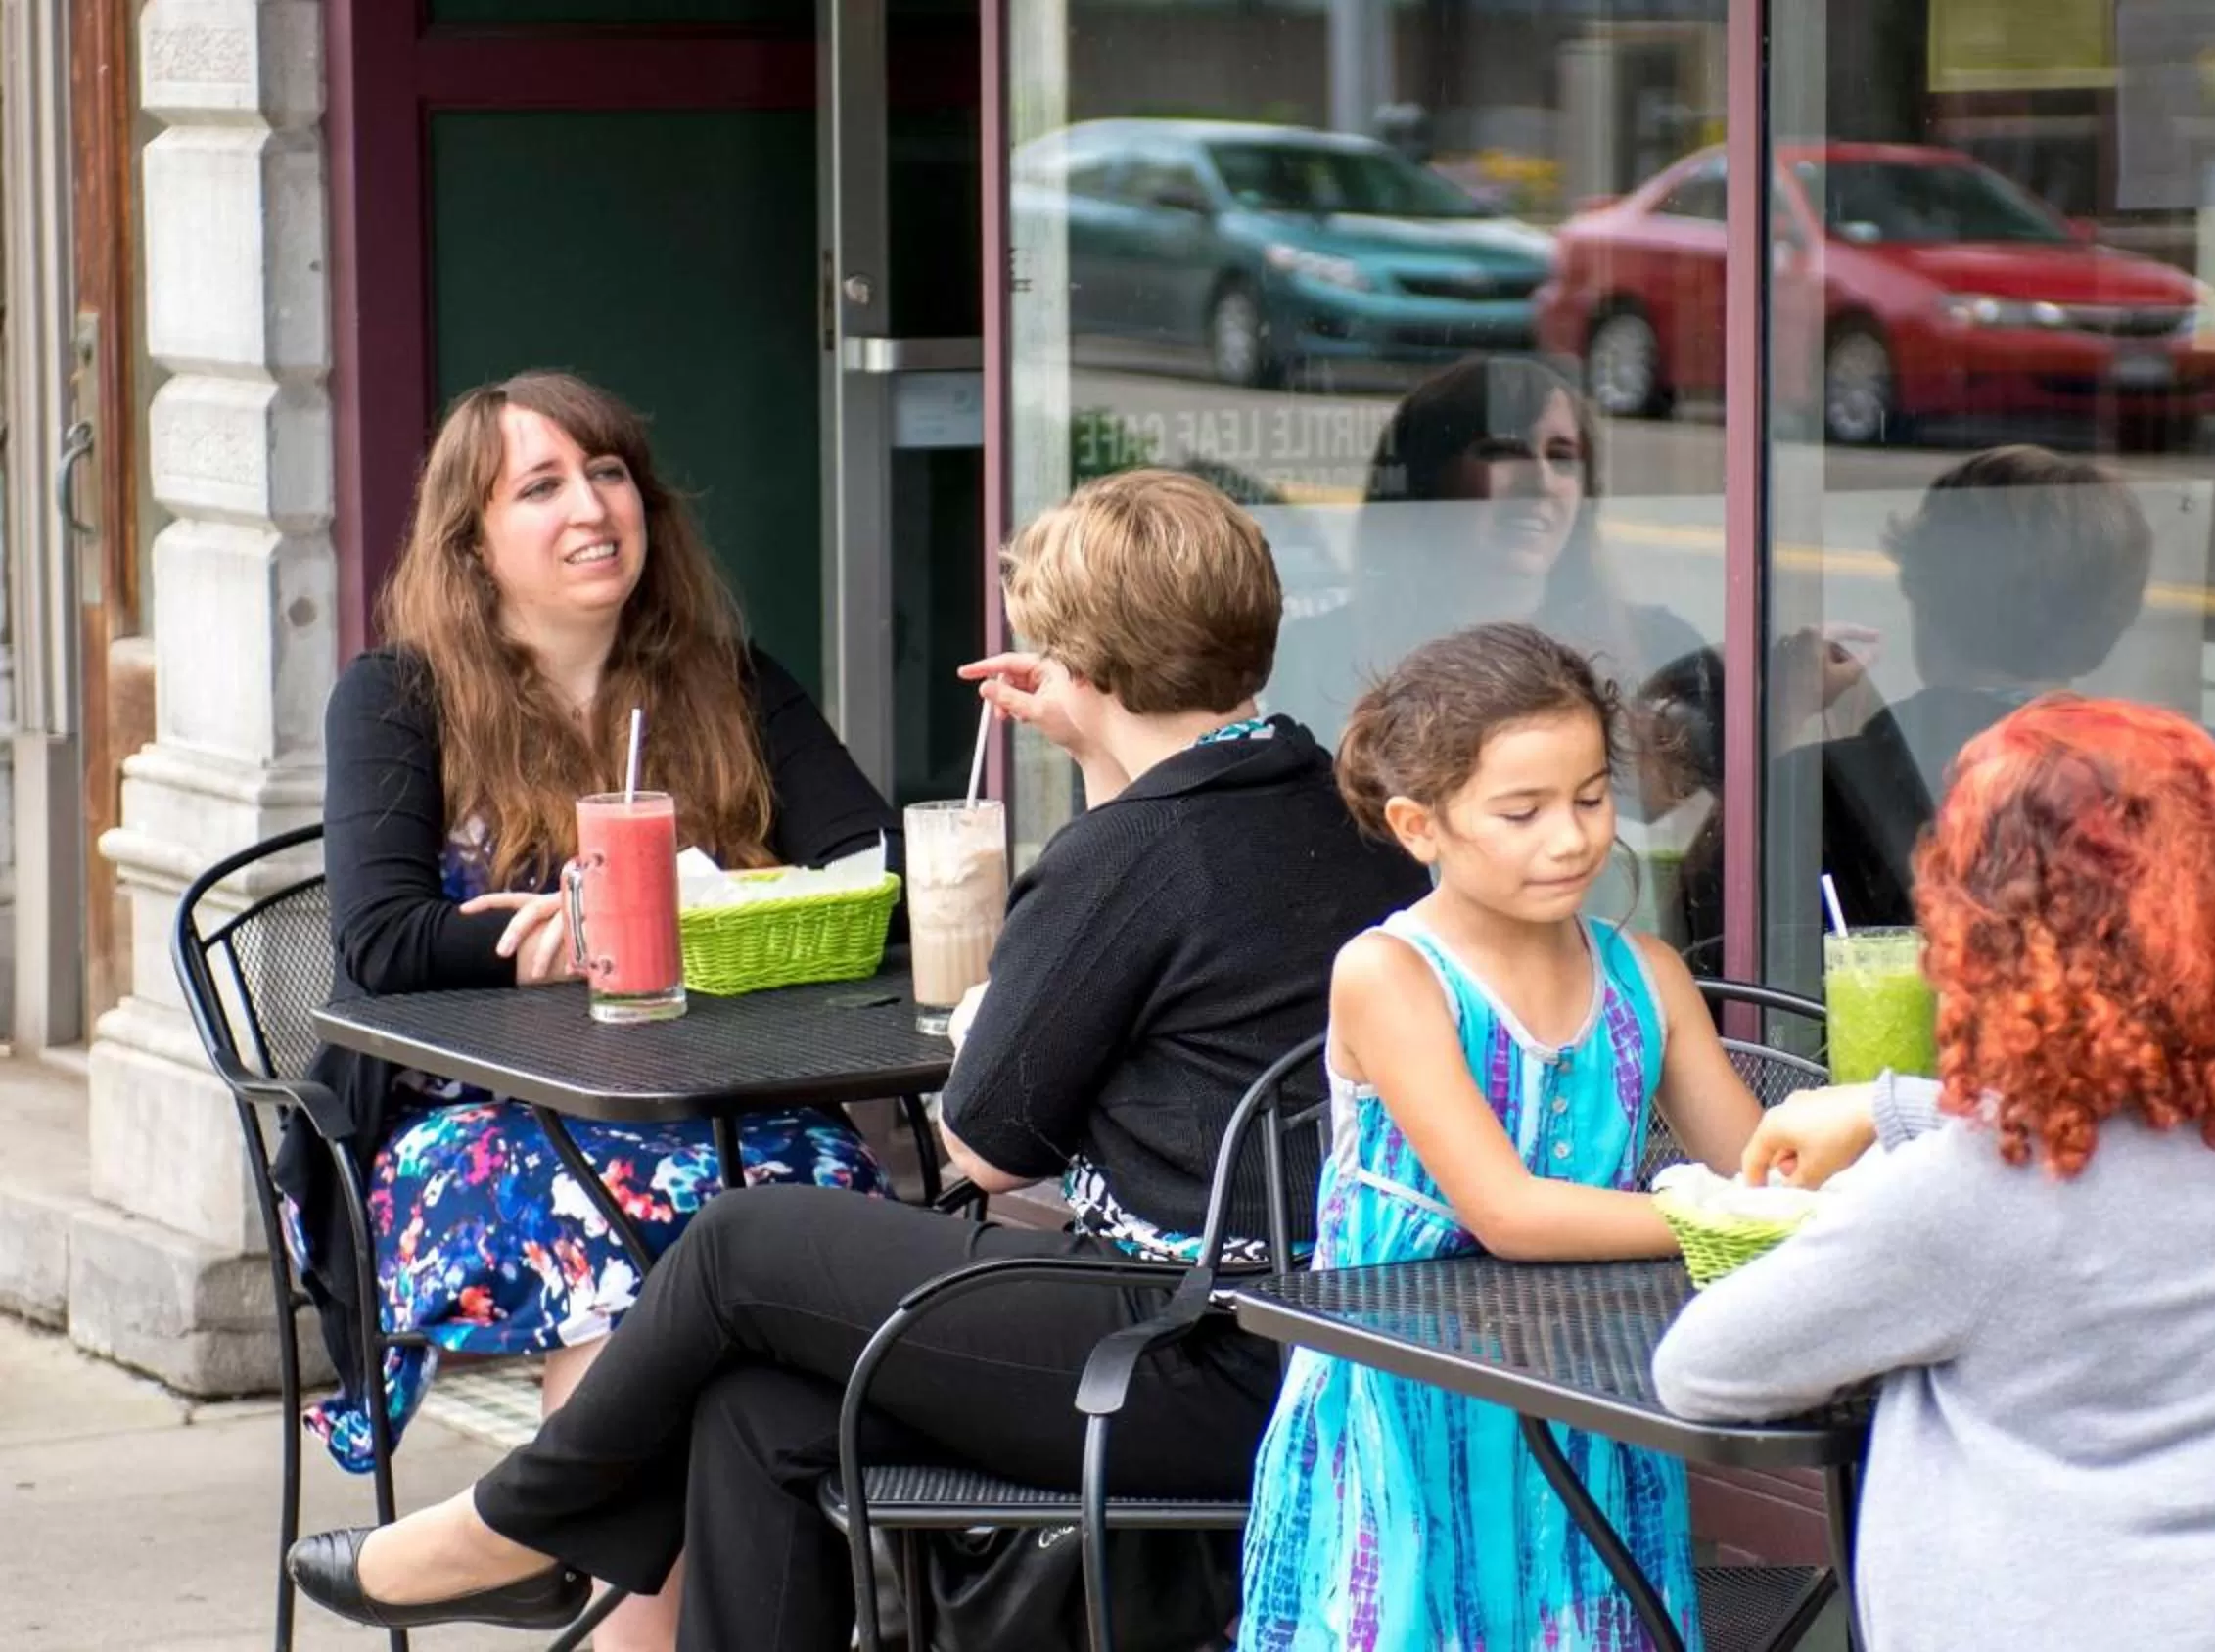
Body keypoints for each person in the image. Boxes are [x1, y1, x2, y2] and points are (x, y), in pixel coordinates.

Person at [284, 468, 1432, 1648]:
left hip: (1189, 1358)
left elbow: (982, 1145)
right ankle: (527, 1532)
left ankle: (512, 1526)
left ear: (1077, 668)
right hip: (1339, 1337)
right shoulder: (1342, 813)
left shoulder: (1130, 852)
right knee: (758, 1406)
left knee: (738, 1242)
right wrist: (1102, 735)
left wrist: (998, 1002)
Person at [295, 370, 900, 1645]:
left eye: (609, 472)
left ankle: (545, 1536)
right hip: (476, 1128)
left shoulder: (729, 679)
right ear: (471, 543)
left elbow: (871, 870)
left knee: (799, 1227)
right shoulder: (401, 695)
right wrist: (550, 945)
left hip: (720, 1110)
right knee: (624, 1260)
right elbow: (381, 940)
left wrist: (701, 912)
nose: (591, 506)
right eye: (542, 485)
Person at [1652, 696, 2215, 1651]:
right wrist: (1888, 1107)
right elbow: (2135, 1122)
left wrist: (1922, 1134)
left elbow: (1703, 1371)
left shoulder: (1975, 1190)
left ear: (1988, 929)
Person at [1238, 622, 1769, 1649]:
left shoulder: (1647, 974)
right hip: (1413, 1390)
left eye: (1590, 798)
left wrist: (1820, 1169)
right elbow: (1509, 1213)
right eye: (1521, 812)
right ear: (1419, 826)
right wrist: (1719, 1217)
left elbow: (1750, 1167)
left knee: (1593, 1612)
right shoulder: (1392, 974)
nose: (1569, 839)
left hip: (1598, 1383)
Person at [1650, 444, 2152, 942]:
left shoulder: (1824, 789)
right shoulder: (2153, 781)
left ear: (1921, 589)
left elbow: (1699, 937)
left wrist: (1780, 722)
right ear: (2116, 616)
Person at [1269, 355, 1706, 740]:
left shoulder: (1661, 652)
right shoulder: (1319, 655)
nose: (1540, 482)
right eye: (1503, 451)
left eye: (1562, 457)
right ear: (1427, 483)